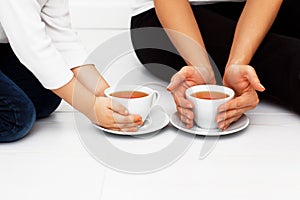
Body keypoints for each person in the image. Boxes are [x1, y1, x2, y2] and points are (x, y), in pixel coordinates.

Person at [130, 0, 300, 130]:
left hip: (251, 9)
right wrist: (202, 68)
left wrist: (238, 62)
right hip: (170, 18)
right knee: (289, 57)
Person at [0, 0, 142, 142]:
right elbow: (32, 49)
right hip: (21, 43)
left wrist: (105, 93)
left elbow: (61, 36)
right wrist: (91, 107)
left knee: (47, 98)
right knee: (15, 119)